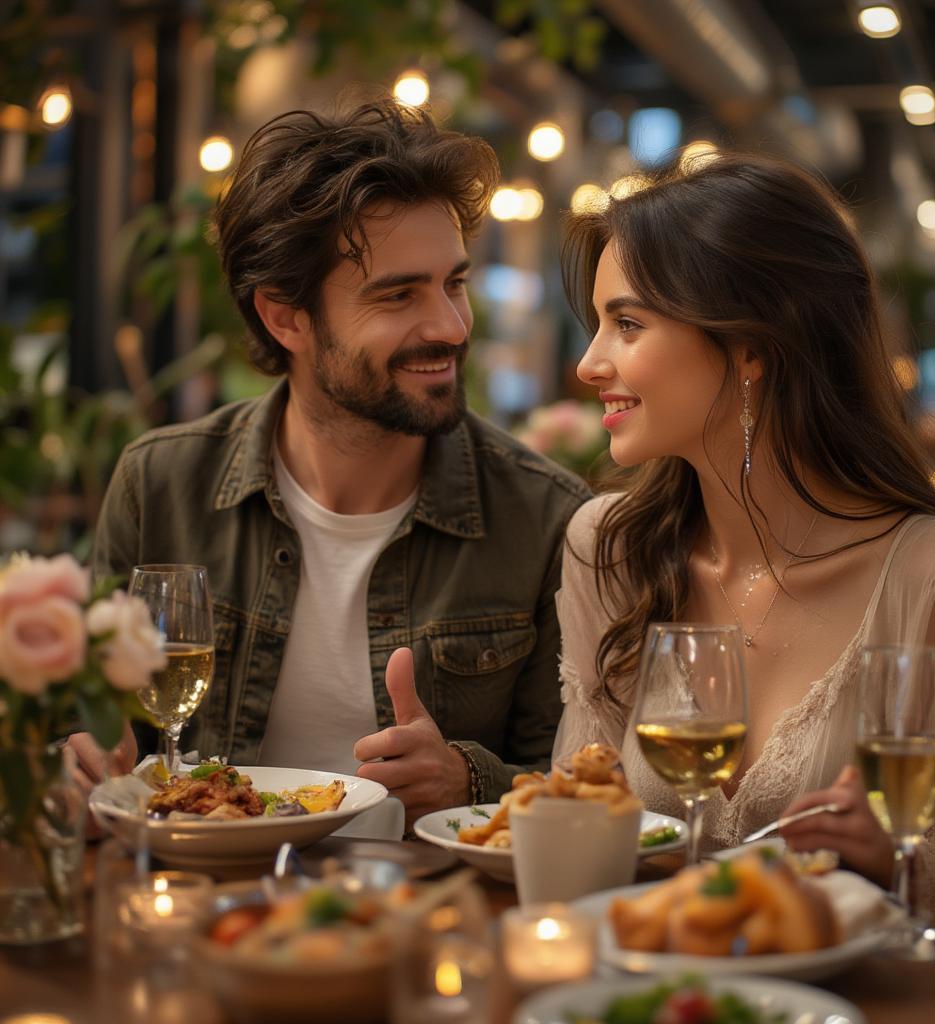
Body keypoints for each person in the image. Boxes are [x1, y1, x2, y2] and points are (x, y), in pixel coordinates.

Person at [72, 96, 589, 828]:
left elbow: (577, 787)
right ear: (285, 316)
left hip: (431, 920)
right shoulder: (161, 487)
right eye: (398, 294)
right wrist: (79, 752)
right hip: (198, 906)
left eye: (454, 283)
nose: (449, 325)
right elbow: (95, 739)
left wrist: (466, 780)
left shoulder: (545, 519)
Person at [552, 152, 935, 915]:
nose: (587, 363)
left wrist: (890, 867)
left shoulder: (930, 572)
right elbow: (574, 831)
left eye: (626, 324)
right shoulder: (608, 553)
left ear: (753, 347)